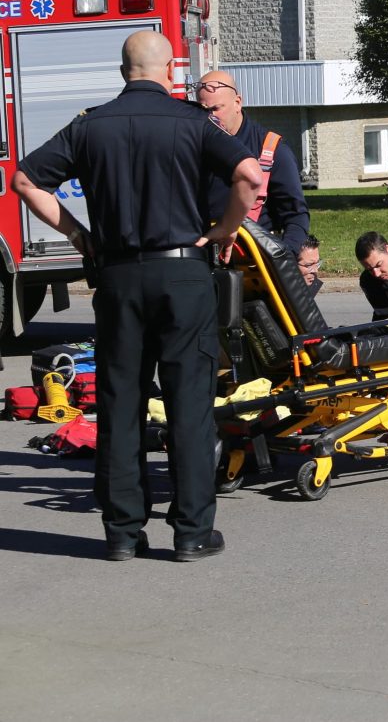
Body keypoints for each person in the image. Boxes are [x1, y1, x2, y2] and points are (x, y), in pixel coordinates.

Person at [11, 33, 265, 562]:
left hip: (118, 277)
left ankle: (123, 534)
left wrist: (79, 235)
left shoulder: (88, 125)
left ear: (122, 70)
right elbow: (248, 175)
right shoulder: (194, 122)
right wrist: (224, 229)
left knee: (120, 403)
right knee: (189, 406)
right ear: (170, 69)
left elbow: (25, 181)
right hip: (183, 277)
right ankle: (192, 533)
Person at [198, 70, 310, 256]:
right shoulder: (192, 147)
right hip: (201, 258)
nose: (210, 117)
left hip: (253, 263)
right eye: (203, 111)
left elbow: (296, 216)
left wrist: (284, 260)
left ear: (237, 102)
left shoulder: (272, 150)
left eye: (216, 109)